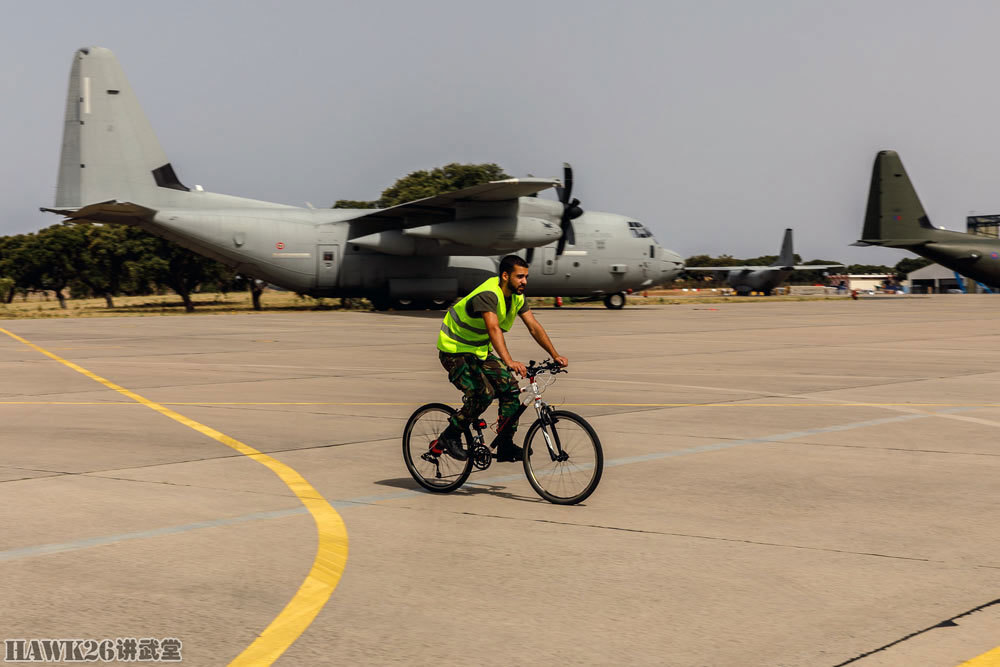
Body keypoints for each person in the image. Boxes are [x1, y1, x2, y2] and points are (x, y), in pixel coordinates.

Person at [434, 255, 568, 462]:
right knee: (482, 394)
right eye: (520, 276)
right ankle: (450, 436)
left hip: (478, 350)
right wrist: (509, 361)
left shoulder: (516, 296)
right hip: (455, 351)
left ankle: (505, 444)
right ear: (505, 276)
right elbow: (493, 328)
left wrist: (555, 354)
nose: (525, 281)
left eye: (526, 277)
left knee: (511, 390)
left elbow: (533, 326)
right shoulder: (488, 295)